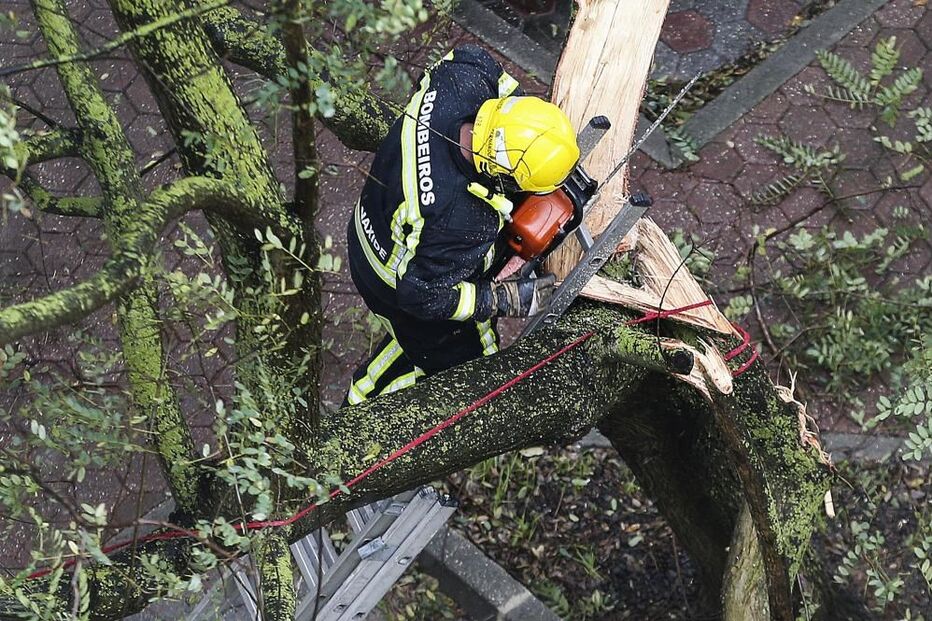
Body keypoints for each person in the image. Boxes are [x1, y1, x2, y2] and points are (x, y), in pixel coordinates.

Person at [344, 45, 579, 405]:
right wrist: (496, 297)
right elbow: (420, 296)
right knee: (465, 362)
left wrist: (535, 141)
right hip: (389, 276)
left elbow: (470, 57)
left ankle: (380, 377)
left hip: (377, 213)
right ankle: (363, 411)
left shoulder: (464, 80)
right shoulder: (461, 219)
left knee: (418, 336)